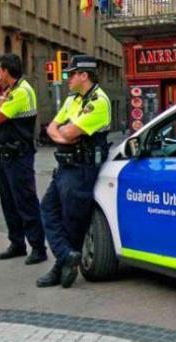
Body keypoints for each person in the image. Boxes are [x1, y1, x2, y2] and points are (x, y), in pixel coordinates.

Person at [37, 55, 111, 288]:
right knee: (47, 209)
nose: (67, 78)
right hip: (65, 167)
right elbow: (51, 128)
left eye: (71, 74)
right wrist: (63, 134)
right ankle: (65, 255)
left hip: (82, 169)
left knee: (72, 221)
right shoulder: (72, 99)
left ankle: (62, 264)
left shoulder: (98, 102)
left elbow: (67, 133)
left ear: (84, 75)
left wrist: (63, 135)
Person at [0, 53, 47, 265]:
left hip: (19, 156)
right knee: (9, 202)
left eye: (0, 70)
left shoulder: (21, 92)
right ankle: (17, 243)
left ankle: (38, 247)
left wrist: (3, 100)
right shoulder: (14, 90)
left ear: (6, 71)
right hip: (7, 155)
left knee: (25, 201)